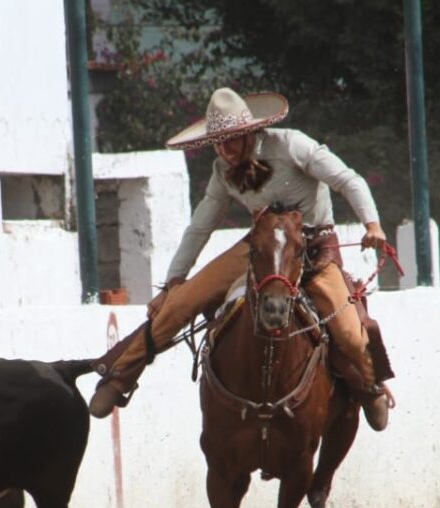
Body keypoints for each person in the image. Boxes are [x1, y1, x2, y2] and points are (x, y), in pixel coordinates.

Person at [88, 87, 396, 430]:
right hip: (260, 249)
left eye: (230, 140)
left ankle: (370, 387)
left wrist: (373, 225)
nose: (223, 149)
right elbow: (199, 226)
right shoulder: (223, 171)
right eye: (217, 142)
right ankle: (121, 377)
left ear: (250, 132)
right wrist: (173, 282)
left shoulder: (293, 144)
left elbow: (347, 180)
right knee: (180, 302)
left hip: (312, 250)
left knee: (351, 335)